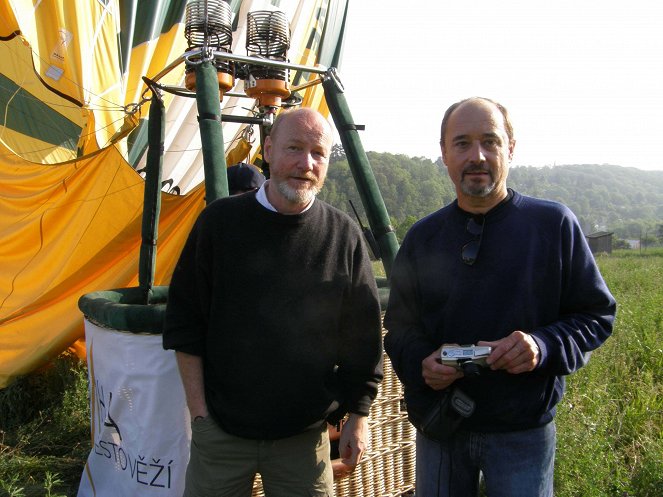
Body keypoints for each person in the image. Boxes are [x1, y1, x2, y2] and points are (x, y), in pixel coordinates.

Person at [383, 97, 616, 497]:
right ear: (443, 154)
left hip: (522, 433)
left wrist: (541, 346)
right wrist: (423, 362)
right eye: (462, 143)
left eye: (490, 141)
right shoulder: (424, 237)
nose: (477, 156)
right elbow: (399, 328)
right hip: (441, 426)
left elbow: (596, 315)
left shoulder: (553, 225)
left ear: (511, 147)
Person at [163, 107, 383, 497]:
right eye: (294, 148)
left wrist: (358, 416)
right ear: (268, 149)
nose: (306, 163)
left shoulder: (342, 235)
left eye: (319, 153)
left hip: (303, 439)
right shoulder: (219, 223)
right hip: (222, 436)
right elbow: (185, 324)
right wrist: (200, 418)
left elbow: (362, 340)